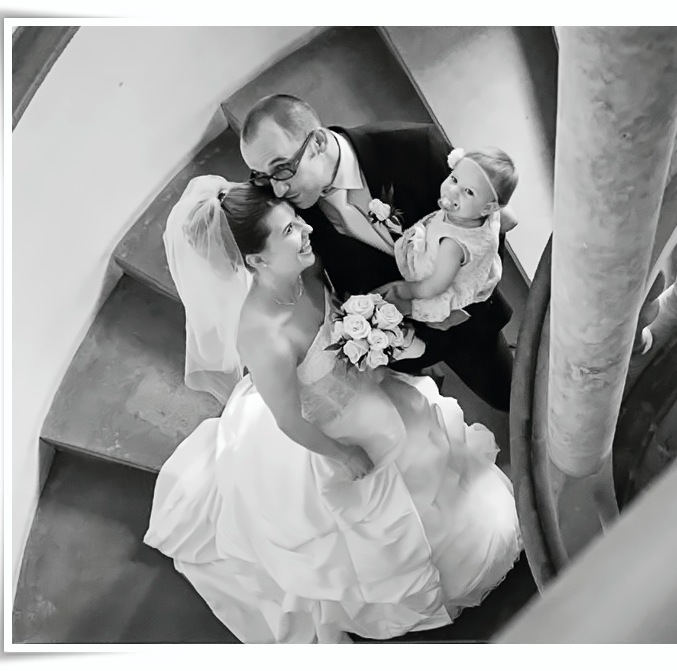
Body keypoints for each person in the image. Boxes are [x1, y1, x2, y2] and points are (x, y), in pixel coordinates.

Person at [144, 176, 523, 643]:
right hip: (329, 430)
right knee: (385, 522)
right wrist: (343, 456)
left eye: (295, 220)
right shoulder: (263, 337)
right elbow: (288, 420)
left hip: (372, 393)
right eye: (289, 231)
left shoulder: (307, 269)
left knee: (435, 461)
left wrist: (379, 341)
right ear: (257, 260)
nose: (306, 230)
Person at [239, 94, 516, 411]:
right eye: (263, 176)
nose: (277, 189)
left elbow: (485, 227)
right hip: (397, 346)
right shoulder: (288, 212)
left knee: (507, 395)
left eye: (282, 169)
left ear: (317, 142)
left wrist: (458, 301)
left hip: (468, 324)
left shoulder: (415, 146)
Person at [377, 146, 518, 332]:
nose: (452, 191)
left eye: (468, 192)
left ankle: (448, 315)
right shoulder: (491, 214)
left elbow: (436, 285)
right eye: (454, 179)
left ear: (488, 208)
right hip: (476, 268)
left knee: (403, 301)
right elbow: (512, 221)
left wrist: (408, 290)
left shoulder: (452, 245)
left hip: (443, 280)